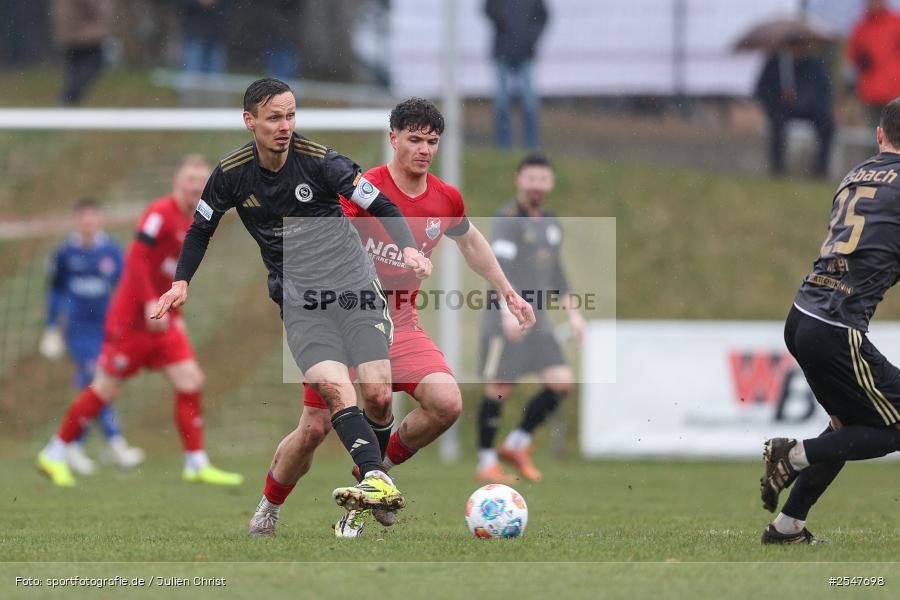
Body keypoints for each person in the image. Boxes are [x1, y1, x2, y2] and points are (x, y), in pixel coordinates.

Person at [151, 78, 434, 535]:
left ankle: (372, 479)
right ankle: (357, 485)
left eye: (291, 115)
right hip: (302, 301)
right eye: (274, 117)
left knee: (379, 395)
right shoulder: (231, 174)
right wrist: (182, 281)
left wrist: (408, 249)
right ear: (250, 122)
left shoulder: (322, 162)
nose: (285, 126)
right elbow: (201, 228)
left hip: (355, 289)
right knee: (332, 394)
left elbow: (382, 204)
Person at [290, 98, 536, 538]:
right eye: (415, 139)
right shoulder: (364, 188)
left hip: (400, 321)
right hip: (346, 316)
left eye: (432, 141)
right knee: (312, 429)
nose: (424, 149)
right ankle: (268, 508)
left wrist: (507, 291)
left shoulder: (445, 198)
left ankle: (376, 472)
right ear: (393, 139)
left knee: (447, 403)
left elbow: (471, 241)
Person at [36, 156, 242, 488]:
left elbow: (173, 274)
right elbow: (136, 257)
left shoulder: (198, 220)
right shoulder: (159, 214)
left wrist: (177, 314)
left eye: (201, 180)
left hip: (164, 318)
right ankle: (55, 451)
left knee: (191, 379)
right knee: (104, 388)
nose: (195, 185)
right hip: (132, 320)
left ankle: (196, 462)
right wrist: (148, 300)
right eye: (190, 178)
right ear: (177, 182)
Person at [759, 98, 900, 545]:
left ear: (879, 135)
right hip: (837, 327)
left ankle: (787, 527)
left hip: (802, 316)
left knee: (847, 421)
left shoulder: (853, 176)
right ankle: (795, 455)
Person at [476, 153, 585, 483]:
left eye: (543, 179)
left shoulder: (551, 223)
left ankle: (517, 444)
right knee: (498, 390)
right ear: (518, 180)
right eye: (531, 178)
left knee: (561, 380)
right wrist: (507, 311)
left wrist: (574, 313)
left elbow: (556, 273)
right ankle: (485, 463)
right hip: (504, 320)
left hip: (537, 322)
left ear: (550, 183)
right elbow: (500, 270)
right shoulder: (508, 219)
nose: (537, 185)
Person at [40, 199, 144, 474]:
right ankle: (115, 443)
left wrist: (129, 323)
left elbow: (125, 289)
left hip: (106, 329)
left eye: (93, 218)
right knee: (92, 378)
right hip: (77, 330)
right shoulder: (65, 253)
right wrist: (51, 327)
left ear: (99, 221)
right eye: (84, 218)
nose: (89, 223)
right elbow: (55, 292)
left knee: (95, 384)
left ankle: (74, 445)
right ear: (77, 221)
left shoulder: (110, 250)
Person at [754, 40, 835, 178]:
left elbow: (823, 92)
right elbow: (762, 91)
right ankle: (778, 169)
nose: (796, 49)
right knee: (777, 124)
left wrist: (803, 99)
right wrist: (779, 97)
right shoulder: (775, 66)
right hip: (783, 110)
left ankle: (820, 169)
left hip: (811, 110)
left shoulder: (814, 66)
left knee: (827, 125)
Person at [484, 0, 548, 149]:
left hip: (525, 52)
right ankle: (503, 145)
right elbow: (488, 9)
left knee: (529, 101)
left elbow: (543, 17)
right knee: (502, 101)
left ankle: (531, 145)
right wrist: (500, 18)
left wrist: (531, 38)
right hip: (503, 51)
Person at [847, 0, 900, 128]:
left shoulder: (896, 22)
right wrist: (861, 59)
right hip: (870, 95)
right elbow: (852, 57)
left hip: (894, 92)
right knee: (873, 138)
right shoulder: (860, 26)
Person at [52, 0, 113, 105]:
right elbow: (95, 7)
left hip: (69, 34)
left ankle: (68, 99)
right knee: (91, 65)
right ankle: (69, 98)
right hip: (86, 34)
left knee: (75, 70)